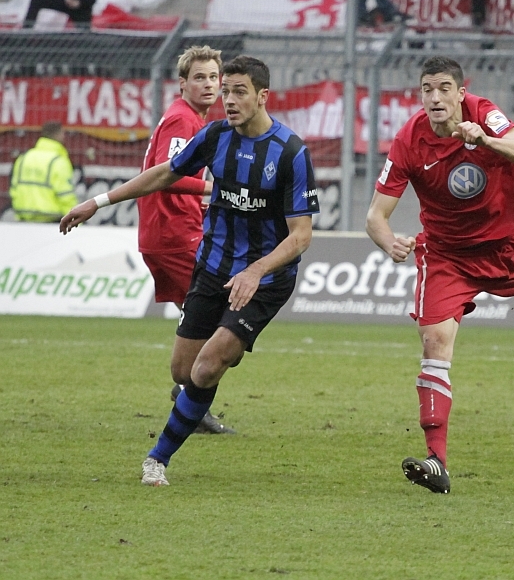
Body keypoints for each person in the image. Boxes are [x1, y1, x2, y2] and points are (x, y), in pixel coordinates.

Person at [59, 55, 320, 487]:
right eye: (226, 91)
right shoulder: (216, 136)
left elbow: (301, 236)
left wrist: (255, 271)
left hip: (265, 279)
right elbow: (163, 174)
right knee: (183, 371)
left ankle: (156, 459)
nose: (229, 100)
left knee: (205, 368)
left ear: (262, 96)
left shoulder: (291, 152)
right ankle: (221, 358)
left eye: (239, 91)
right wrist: (99, 202)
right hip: (213, 267)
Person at [366, 55, 514, 494]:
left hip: (502, 240)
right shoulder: (409, 139)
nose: (435, 97)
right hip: (446, 253)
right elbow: (375, 215)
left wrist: (484, 139)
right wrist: (388, 241)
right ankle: (437, 461)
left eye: (444, 87)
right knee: (434, 342)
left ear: (461, 93)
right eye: (427, 88)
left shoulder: (485, 114)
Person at [138, 45, 235, 435]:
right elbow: (170, 174)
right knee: (216, 320)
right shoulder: (182, 120)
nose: (209, 84)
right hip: (176, 235)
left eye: (214, 77)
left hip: (173, 233)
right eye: (200, 77)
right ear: (182, 84)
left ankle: (191, 401)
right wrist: (214, 188)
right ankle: (191, 404)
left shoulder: (190, 119)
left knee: (206, 319)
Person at [9, 121, 76, 222]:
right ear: (59, 134)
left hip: (23, 220)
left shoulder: (24, 158)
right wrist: (75, 220)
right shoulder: (59, 161)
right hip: (51, 220)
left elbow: (14, 190)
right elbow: (66, 196)